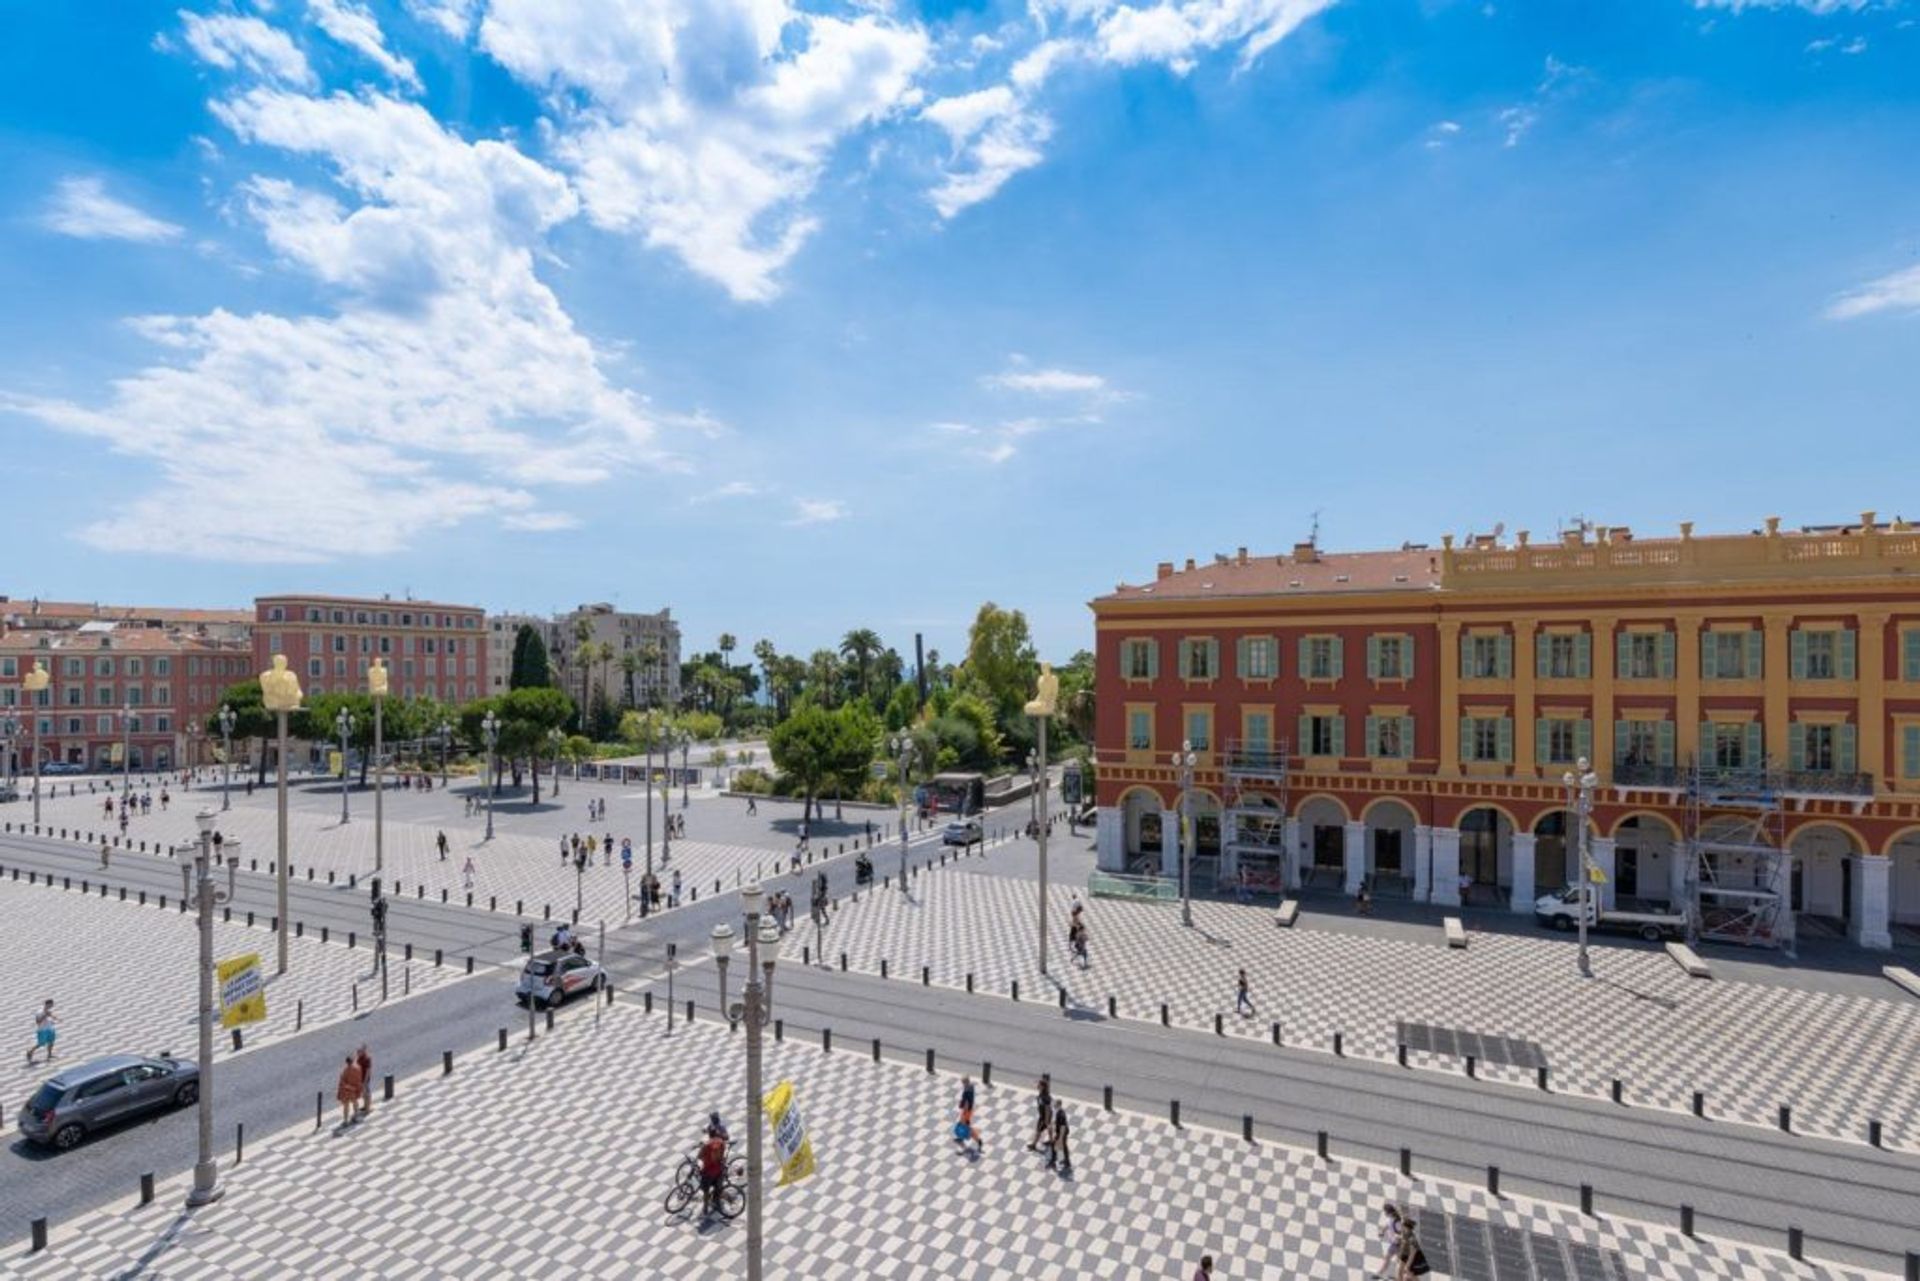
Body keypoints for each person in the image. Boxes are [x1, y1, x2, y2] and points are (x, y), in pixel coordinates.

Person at [697, 1123, 729, 1220]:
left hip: (708, 1172)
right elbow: (724, 1154)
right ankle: (717, 1201)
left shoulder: (707, 1145)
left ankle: (705, 1209)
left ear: (709, 1134)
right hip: (718, 1170)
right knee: (718, 1187)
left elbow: (699, 1156)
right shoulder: (721, 1142)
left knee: (705, 1191)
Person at [26, 999, 58, 1065]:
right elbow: (38, 1022)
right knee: (41, 1043)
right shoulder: (39, 1012)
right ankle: (30, 1051)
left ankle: (49, 1055)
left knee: (51, 1042)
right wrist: (45, 1015)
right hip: (42, 1030)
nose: (52, 1006)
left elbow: (50, 1017)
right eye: (51, 1004)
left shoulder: (48, 1011)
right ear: (47, 1004)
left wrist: (54, 1019)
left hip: (50, 1028)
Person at [1028, 1075, 1053, 1156]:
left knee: (1038, 1130)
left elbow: (1047, 1109)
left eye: (1039, 1085)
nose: (1037, 1086)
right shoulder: (1042, 1093)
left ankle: (1033, 1145)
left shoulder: (1045, 1097)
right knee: (1048, 1127)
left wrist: (1046, 1119)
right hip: (1044, 1115)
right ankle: (1051, 1140)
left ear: (1042, 1087)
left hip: (1044, 1116)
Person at [336, 1054, 363, 1127]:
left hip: (346, 1091)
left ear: (347, 1062)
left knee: (346, 1106)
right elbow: (359, 1080)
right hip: (354, 1090)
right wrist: (358, 1089)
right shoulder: (358, 1068)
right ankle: (356, 1117)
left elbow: (342, 1083)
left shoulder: (345, 1071)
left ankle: (346, 1121)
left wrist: (340, 1093)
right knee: (355, 1103)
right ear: (353, 1061)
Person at [1049, 1100, 1071, 1173]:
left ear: (1059, 1105)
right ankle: (1065, 1161)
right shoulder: (1058, 1112)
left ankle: (1054, 1161)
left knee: (1055, 1145)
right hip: (1061, 1132)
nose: (1054, 1105)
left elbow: (1063, 1127)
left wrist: (1060, 1138)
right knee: (1062, 1146)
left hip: (1062, 1132)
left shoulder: (1061, 1114)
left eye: (1055, 1104)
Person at [355, 1044, 374, 1118]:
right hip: (360, 1079)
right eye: (357, 1051)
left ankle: (368, 1109)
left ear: (363, 1051)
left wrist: (365, 1081)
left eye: (359, 1052)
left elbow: (368, 1071)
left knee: (367, 1094)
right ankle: (365, 1106)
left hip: (364, 1080)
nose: (357, 1053)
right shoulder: (359, 1058)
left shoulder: (367, 1058)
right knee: (364, 1094)